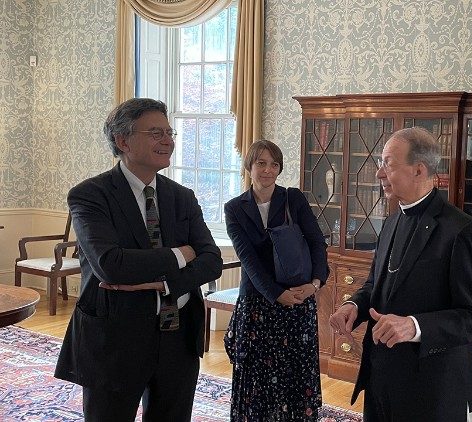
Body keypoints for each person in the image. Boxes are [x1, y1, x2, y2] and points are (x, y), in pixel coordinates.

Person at [54, 98, 223, 422]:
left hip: (178, 341)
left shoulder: (182, 196)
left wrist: (165, 283)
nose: (168, 140)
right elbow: (112, 264)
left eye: (170, 132)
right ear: (123, 141)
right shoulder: (90, 195)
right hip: (115, 342)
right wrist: (180, 254)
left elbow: (212, 261)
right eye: (156, 132)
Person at [329, 127, 472, 422]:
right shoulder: (391, 222)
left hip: (431, 388)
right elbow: (377, 286)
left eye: (388, 163)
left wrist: (413, 326)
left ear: (419, 170)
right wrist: (353, 306)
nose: (379, 173)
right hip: (380, 376)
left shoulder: (463, 232)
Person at [223, 139, 329, 421]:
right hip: (258, 301)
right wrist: (274, 293)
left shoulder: (293, 199)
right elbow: (247, 258)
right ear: (249, 166)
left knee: (295, 373)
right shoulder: (234, 208)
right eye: (261, 163)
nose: (268, 170)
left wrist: (316, 283)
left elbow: (318, 243)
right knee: (256, 376)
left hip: (298, 298)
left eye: (274, 164)